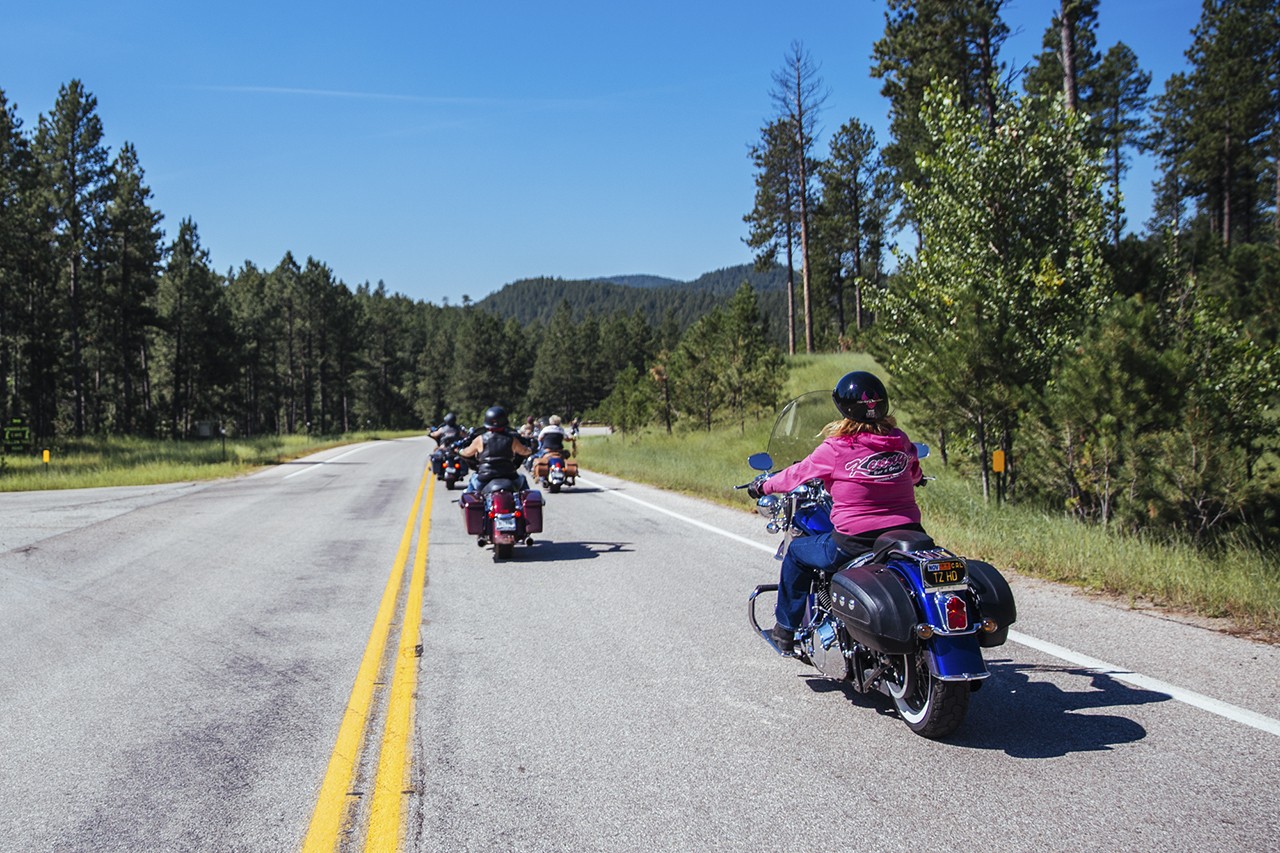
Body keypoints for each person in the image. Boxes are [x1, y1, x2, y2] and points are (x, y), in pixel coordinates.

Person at [748, 371, 925, 654]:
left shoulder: (837, 448)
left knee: (796, 553)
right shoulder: (899, 439)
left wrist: (764, 486)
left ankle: (786, 631)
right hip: (908, 533)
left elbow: (795, 474)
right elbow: (914, 472)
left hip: (855, 540)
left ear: (844, 409)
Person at [458, 405, 533, 493]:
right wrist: (530, 449)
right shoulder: (512, 439)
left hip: (485, 478)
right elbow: (524, 451)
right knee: (523, 480)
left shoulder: (480, 439)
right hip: (509, 476)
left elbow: (467, 453)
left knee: (472, 481)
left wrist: (460, 451)